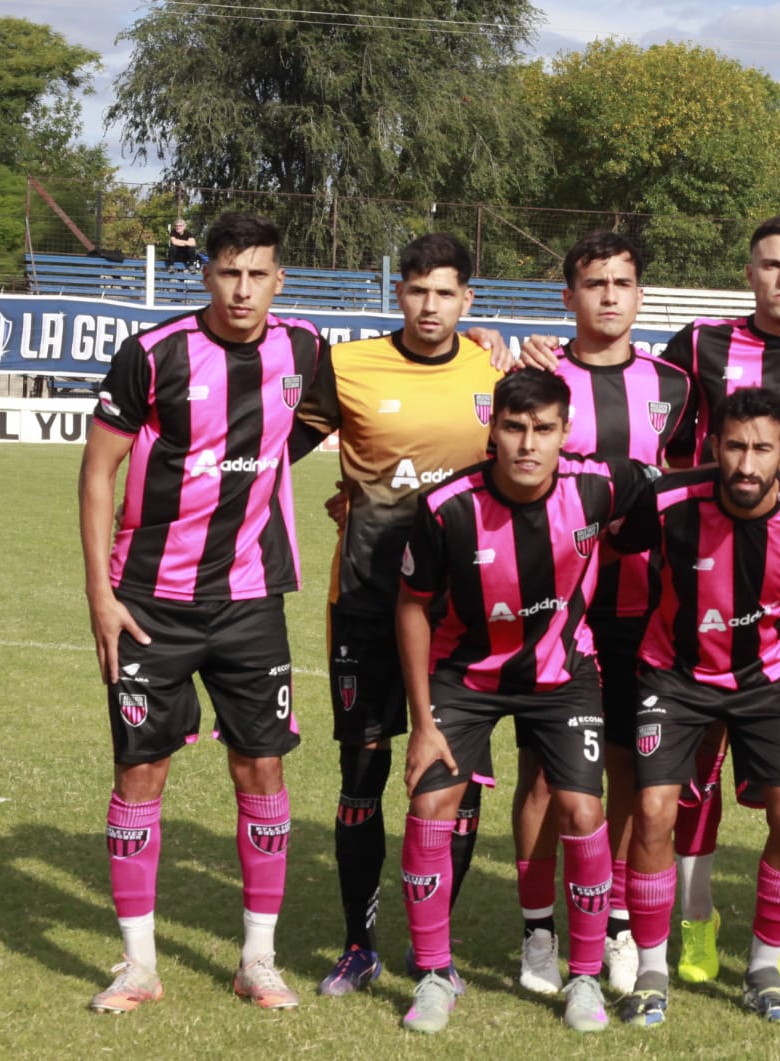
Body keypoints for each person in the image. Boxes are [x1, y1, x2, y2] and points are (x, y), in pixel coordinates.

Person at [79, 212, 324, 1013]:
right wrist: (100, 595)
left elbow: (333, 408)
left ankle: (258, 959)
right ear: (207, 274)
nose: (242, 289)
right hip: (150, 601)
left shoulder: (304, 348)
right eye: (227, 272)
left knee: (262, 766)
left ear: (279, 279)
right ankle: (138, 965)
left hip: (251, 599)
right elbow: (98, 472)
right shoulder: (153, 354)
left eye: (257, 274)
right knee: (140, 770)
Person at [393, 369, 655, 1035]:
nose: (528, 443)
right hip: (465, 675)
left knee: (582, 808)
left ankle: (585, 976)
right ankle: (434, 974)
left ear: (566, 433)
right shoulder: (446, 506)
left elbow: (676, 496)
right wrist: (422, 724)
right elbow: (412, 606)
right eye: (514, 428)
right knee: (430, 804)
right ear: (494, 430)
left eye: (543, 429)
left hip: (563, 673)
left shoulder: (603, 484)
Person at [292, 233, 504, 998]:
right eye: (417, 290)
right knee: (363, 773)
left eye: (445, 292)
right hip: (367, 603)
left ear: (467, 299)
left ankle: (431, 944)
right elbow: (273, 449)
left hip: (463, 615)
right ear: (398, 293)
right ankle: (358, 944)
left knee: (455, 781)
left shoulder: (494, 370)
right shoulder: (347, 366)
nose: (429, 306)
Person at [607, 387, 780, 1028]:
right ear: (714, 447)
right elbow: (602, 543)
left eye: (763, 449)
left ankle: (764, 970)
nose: (746, 463)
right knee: (654, 810)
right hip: (674, 675)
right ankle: (650, 972)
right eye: (735, 446)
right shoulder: (667, 500)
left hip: (768, 679)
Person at [508, 231, 693, 1000]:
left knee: (624, 767)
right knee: (545, 777)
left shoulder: (675, 385)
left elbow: (696, 481)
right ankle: (538, 931)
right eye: (594, 283)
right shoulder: (537, 375)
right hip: (558, 611)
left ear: (640, 294)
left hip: (647, 608)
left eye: (622, 282)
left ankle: (615, 920)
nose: (609, 296)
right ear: (569, 296)